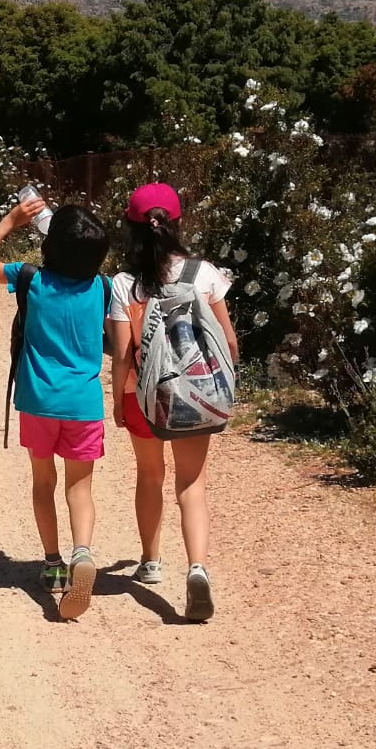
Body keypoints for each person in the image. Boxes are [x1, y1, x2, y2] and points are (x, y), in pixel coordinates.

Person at [0, 197, 111, 619]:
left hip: (38, 402)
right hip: (84, 404)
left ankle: (53, 564)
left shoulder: (30, 279)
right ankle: (82, 553)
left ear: (49, 245)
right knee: (80, 488)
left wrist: (9, 221)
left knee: (43, 482)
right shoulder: (103, 288)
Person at [105, 182, 238, 622]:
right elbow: (228, 341)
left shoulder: (125, 284)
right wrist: (222, 386)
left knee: (149, 475)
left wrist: (118, 400)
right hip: (197, 394)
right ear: (177, 222)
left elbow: (122, 353)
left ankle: (150, 561)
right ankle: (197, 567)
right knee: (191, 484)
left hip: (144, 395)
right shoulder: (205, 273)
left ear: (131, 227)